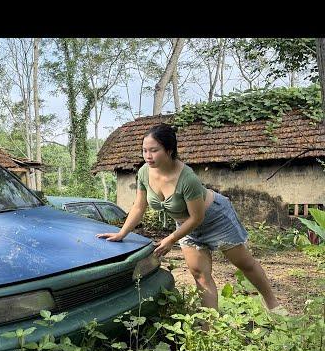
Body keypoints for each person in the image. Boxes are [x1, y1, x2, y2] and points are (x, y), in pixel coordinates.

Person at [96, 123, 286, 316]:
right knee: (200, 274)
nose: (148, 156)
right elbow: (139, 206)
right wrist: (122, 233)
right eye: (144, 150)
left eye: (154, 150)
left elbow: (197, 217)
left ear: (169, 150)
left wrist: (170, 239)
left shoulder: (187, 179)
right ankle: (209, 326)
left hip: (215, 218)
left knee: (244, 264)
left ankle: (273, 305)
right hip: (185, 225)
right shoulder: (144, 172)